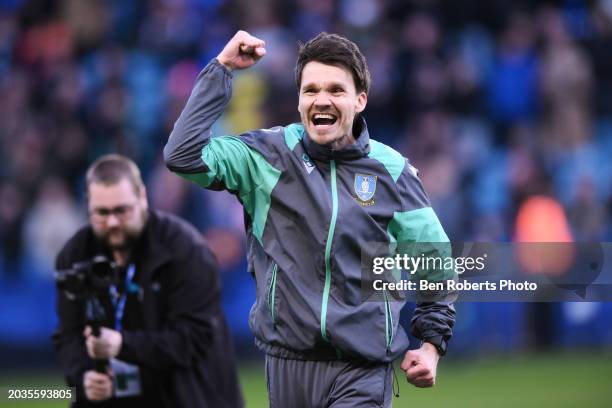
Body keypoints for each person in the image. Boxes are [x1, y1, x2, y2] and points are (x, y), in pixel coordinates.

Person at [164, 30, 456, 407]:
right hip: (287, 368)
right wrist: (221, 70)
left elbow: (435, 264)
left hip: (362, 370)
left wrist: (431, 347)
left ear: (360, 100)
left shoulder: (392, 172)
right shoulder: (265, 158)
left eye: (336, 90)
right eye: (311, 90)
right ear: (300, 101)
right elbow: (183, 156)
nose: (322, 100)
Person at [52, 154, 243, 408]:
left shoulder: (185, 250)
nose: (112, 222)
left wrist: (122, 344)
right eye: (101, 212)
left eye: (121, 211)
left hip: (187, 395)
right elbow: (68, 335)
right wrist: (84, 377)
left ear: (142, 197)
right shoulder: (75, 254)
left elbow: (192, 340)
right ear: (88, 206)